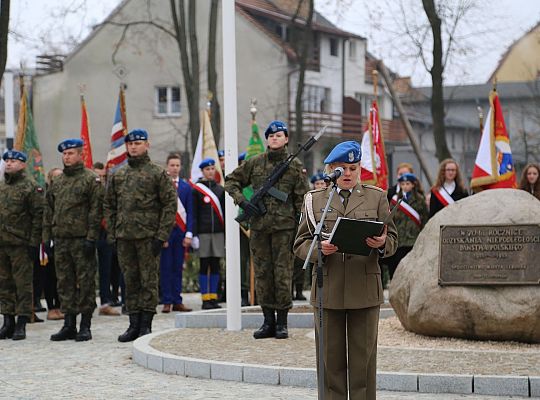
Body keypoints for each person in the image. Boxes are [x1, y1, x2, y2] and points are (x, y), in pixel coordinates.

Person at [293, 141, 397, 400]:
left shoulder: (377, 197)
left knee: (363, 363)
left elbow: (393, 239)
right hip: (328, 288)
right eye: (342, 168)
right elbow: (300, 243)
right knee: (330, 364)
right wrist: (319, 250)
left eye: (353, 167)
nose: (348, 173)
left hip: (363, 289)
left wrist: (382, 243)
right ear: (331, 170)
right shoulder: (315, 200)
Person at [224, 120, 309, 339]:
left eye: (279, 135)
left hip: (284, 229)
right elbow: (231, 181)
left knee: (282, 274)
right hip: (260, 228)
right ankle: (267, 321)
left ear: (286, 139)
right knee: (262, 274)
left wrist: (301, 230)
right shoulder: (254, 163)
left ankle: (282, 323)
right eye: (271, 135)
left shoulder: (295, 166)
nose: (274, 138)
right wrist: (243, 202)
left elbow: (302, 200)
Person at [104, 129, 177, 342]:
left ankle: (146, 324)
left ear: (147, 145)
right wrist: (113, 232)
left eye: (138, 143)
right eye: (130, 144)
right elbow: (109, 204)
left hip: (148, 237)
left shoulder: (157, 173)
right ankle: (133, 323)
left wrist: (161, 236)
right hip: (125, 237)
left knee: (148, 281)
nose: (134, 147)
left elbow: (169, 204)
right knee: (130, 280)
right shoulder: (119, 175)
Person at [43, 139, 102, 342]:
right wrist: (47, 239)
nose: (66, 157)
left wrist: (91, 238)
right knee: (64, 282)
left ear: (80, 155)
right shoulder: (57, 182)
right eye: (64, 154)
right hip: (61, 240)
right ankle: (68, 323)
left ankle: (85, 324)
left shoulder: (90, 179)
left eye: (70, 153)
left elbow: (96, 210)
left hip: (82, 240)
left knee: (85, 283)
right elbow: (48, 210)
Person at [0, 150, 44, 340]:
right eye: (7, 161)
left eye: (13, 161)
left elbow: (38, 217)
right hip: (2, 243)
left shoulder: (30, 187)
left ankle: (22, 322)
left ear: (23, 164)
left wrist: (34, 243)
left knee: (22, 284)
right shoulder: (1, 187)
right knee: (4, 284)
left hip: (21, 243)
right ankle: (7, 320)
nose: (9, 164)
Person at [160, 153, 193, 313]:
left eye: (177, 165)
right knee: (165, 267)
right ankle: (166, 301)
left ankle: (177, 300)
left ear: (181, 167)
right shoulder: (162, 185)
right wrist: (161, 234)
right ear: (167, 166)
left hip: (180, 232)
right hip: (166, 232)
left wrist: (189, 234)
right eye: (172, 165)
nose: (175, 168)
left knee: (178, 267)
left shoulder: (186, 187)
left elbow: (191, 212)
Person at [192, 158, 225, 310]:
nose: (211, 171)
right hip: (203, 233)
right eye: (207, 169)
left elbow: (223, 213)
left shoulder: (220, 189)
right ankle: (205, 298)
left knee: (216, 265)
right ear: (202, 171)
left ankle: (214, 297)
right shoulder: (197, 190)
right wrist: (193, 234)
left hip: (218, 232)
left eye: (212, 169)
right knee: (204, 265)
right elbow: (194, 214)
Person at [385, 172, 428, 280]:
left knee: (413, 267)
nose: (405, 186)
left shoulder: (420, 199)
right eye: (402, 184)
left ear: (413, 185)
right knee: (398, 267)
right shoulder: (395, 200)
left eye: (407, 183)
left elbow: (424, 219)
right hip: (399, 239)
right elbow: (391, 219)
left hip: (414, 239)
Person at [92, 162, 120, 317]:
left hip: (105, 232)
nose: (100, 179)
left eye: (103, 176)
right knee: (87, 270)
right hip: (89, 231)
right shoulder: (87, 189)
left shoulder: (109, 191)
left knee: (106, 269)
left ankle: (105, 302)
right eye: (98, 175)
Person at [43, 168, 63, 321]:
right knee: (49, 276)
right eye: (55, 177)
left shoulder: (65, 194)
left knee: (62, 275)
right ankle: (52, 307)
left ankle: (61, 305)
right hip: (48, 239)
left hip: (63, 239)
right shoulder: (45, 195)